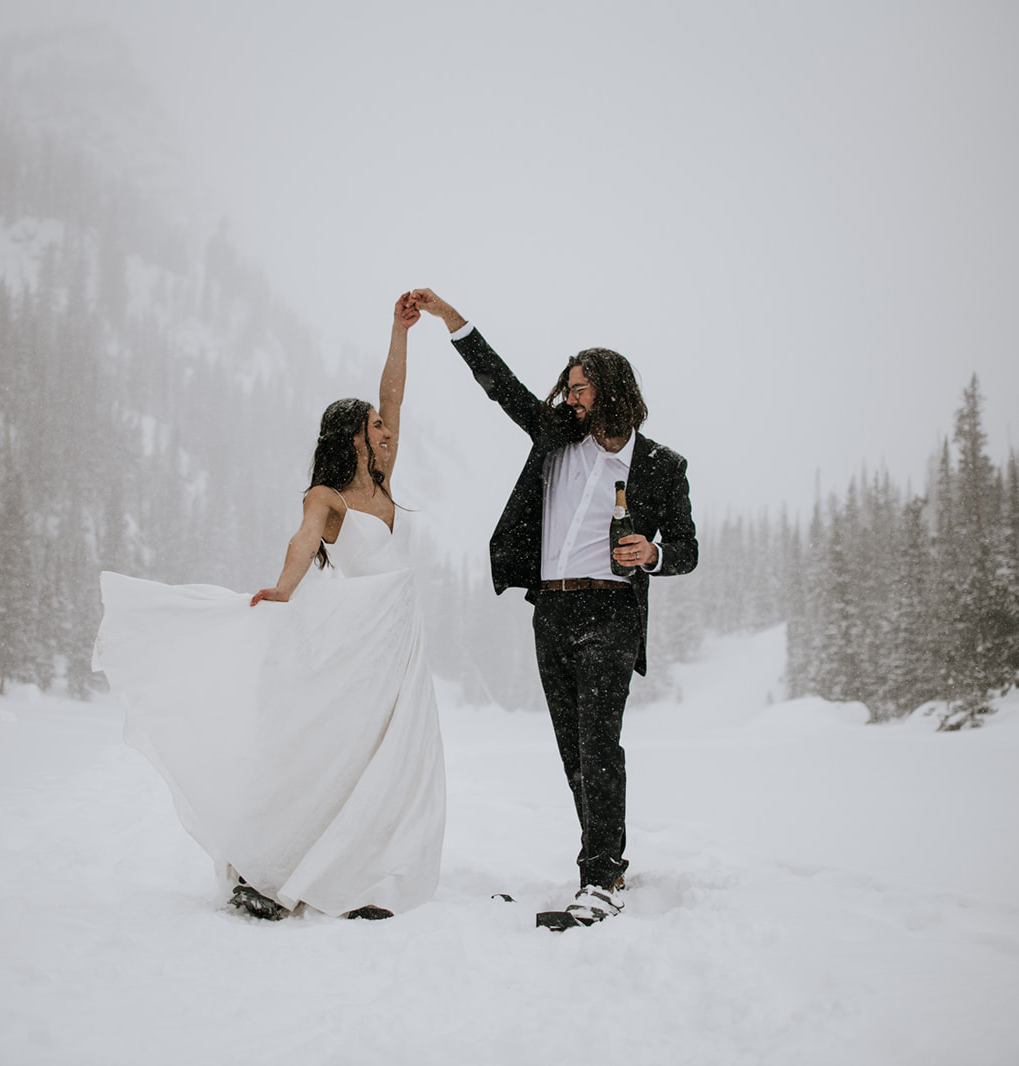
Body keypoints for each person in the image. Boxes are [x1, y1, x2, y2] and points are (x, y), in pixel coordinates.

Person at [93, 293, 444, 921]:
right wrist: (282, 590)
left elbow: (394, 392)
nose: (387, 429)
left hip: (394, 638)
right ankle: (273, 866)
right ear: (353, 436)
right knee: (332, 748)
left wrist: (401, 332)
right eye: (374, 424)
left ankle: (361, 872)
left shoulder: (385, 476)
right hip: (349, 638)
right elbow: (302, 543)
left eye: (384, 425)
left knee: (386, 755)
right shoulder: (327, 493)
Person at [411, 288, 697, 927]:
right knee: (574, 752)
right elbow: (501, 385)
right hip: (552, 613)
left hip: (613, 613)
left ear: (613, 390)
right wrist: (451, 319)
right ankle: (609, 861)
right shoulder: (555, 438)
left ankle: (598, 880)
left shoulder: (661, 467)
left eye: (581, 388)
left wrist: (649, 553)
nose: (570, 397)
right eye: (567, 386)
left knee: (600, 747)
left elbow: (687, 548)